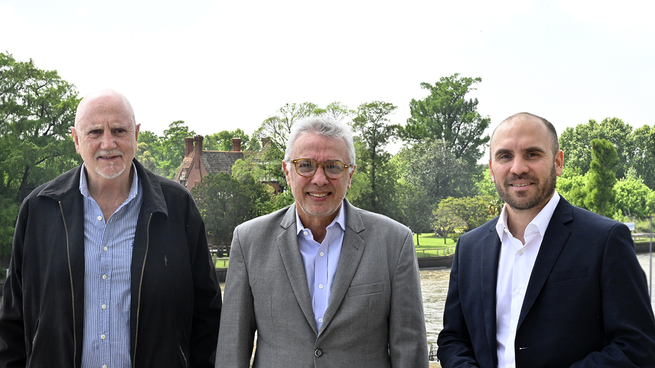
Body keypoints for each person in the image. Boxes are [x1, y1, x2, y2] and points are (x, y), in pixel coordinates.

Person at [0, 89, 222, 367]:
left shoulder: (178, 207)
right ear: (76, 139)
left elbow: (208, 318)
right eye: (94, 132)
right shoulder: (39, 209)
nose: (108, 143)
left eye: (119, 130)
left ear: (136, 135)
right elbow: (11, 324)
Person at [437, 112, 655, 367]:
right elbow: (453, 339)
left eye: (532, 154)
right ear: (491, 169)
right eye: (505, 156)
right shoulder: (469, 248)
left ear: (558, 162)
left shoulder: (606, 240)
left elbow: (637, 345)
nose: (518, 168)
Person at [215, 116, 429, 367]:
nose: (319, 179)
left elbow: (410, 349)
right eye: (305, 165)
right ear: (287, 172)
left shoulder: (394, 242)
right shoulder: (248, 240)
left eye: (333, 166)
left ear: (350, 174)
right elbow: (232, 348)